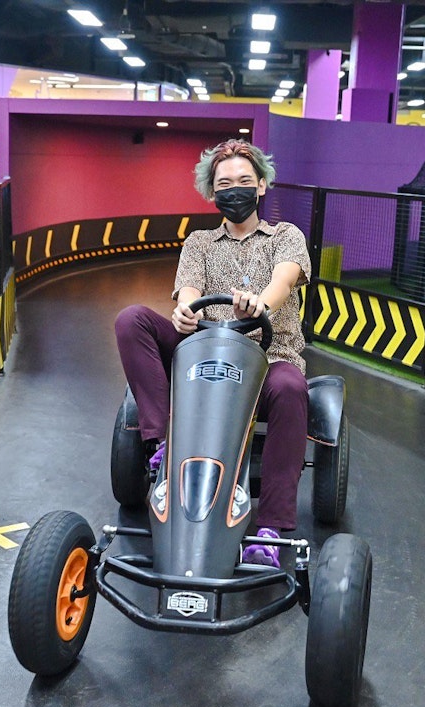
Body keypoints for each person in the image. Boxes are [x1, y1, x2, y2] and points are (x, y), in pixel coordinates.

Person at [114, 139, 311, 569]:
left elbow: (285, 278)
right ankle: (163, 444)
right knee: (132, 320)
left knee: (291, 386)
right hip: (202, 358)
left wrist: (262, 304)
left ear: (261, 186)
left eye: (244, 181)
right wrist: (184, 313)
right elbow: (188, 291)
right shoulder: (200, 242)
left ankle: (271, 530)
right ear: (213, 192)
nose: (234, 189)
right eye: (225, 183)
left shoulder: (285, 236)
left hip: (266, 356)